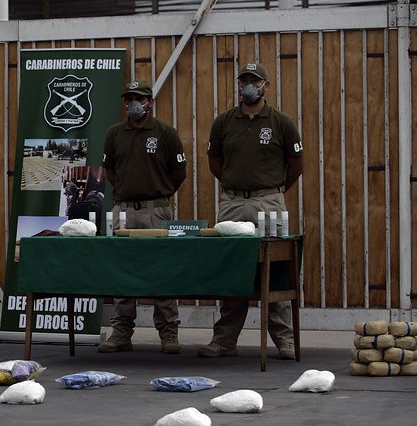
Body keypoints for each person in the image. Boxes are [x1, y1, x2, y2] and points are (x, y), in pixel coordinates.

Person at [197, 62, 304, 360]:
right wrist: (236, 188)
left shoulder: (281, 122)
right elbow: (215, 162)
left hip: (269, 202)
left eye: (254, 80)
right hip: (232, 203)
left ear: (265, 85)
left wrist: (273, 189)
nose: (248, 85)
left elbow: (296, 165)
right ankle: (224, 341)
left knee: (277, 269)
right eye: (244, 80)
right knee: (232, 271)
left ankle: (284, 340)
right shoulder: (224, 122)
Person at [97, 79, 187, 354]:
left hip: (155, 211)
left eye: (138, 99)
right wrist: (126, 192)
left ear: (149, 102)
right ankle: (121, 331)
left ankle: (168, 332)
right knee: (122, 270)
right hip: (123, 209)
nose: (132, 104)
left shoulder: (166, 133)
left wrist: (159, 196)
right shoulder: (114, 133)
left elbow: (179, 173)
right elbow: (109, 170)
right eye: (128, 99)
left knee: (162, 269)